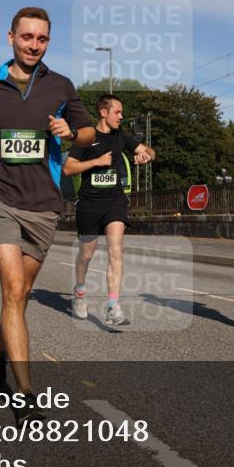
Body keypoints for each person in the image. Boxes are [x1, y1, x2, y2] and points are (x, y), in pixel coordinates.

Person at [0, 6, 95, 424]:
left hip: (43, 204)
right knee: (13, 285)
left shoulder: (61, 85)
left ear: (47, 42)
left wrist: (71, 132)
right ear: (11, 38)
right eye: (27, 37)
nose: (33, 45)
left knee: (18, 298)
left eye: (41, 39)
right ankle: (25, 395)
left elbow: (90, 131)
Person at [62, 94, 154, 325]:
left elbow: (150, 151)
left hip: (114, 201)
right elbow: (68, 169)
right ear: (104, 113)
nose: (121, 116)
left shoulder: (121, 136)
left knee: (116, 250)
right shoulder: (87, 138)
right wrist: (96, 162)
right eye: (117, 112)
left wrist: (146, 156)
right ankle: (80, 292)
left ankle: (113, 305)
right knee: (86, 254)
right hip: (89, 203)